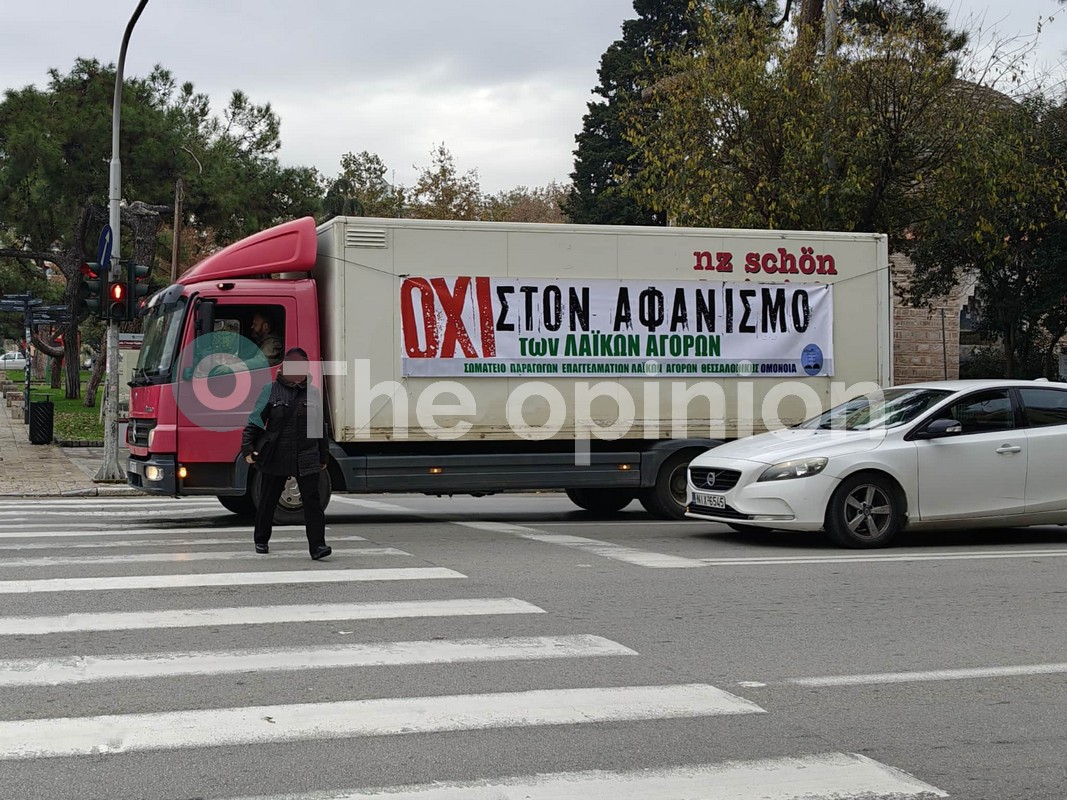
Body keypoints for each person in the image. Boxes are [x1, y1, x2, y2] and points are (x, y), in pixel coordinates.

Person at [240, 347, 331, 560]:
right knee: (268, 499)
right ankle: (261, 539)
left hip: (306, 455)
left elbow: (319, 426)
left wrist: (323, 455)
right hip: (277, 453)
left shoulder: (313, 392)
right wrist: (247, 448)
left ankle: (318, 546)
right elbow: (255, 421)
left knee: (312, 502)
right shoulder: (270, 390)